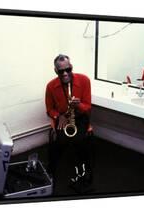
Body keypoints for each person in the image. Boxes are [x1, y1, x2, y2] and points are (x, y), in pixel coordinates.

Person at [45, 54, 92, 193]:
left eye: (68, 69)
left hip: (80, 116)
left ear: (71, 67)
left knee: (80, 141)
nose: (65, 74)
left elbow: (88, 106)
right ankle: (53, 172)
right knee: (60, 141)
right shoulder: (51, 86)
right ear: (56, 71)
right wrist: (58, 116)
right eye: (61, 71)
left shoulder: (84, 80)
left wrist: (78, 106)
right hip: (63, 118)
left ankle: (84, 174)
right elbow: (49, 109)